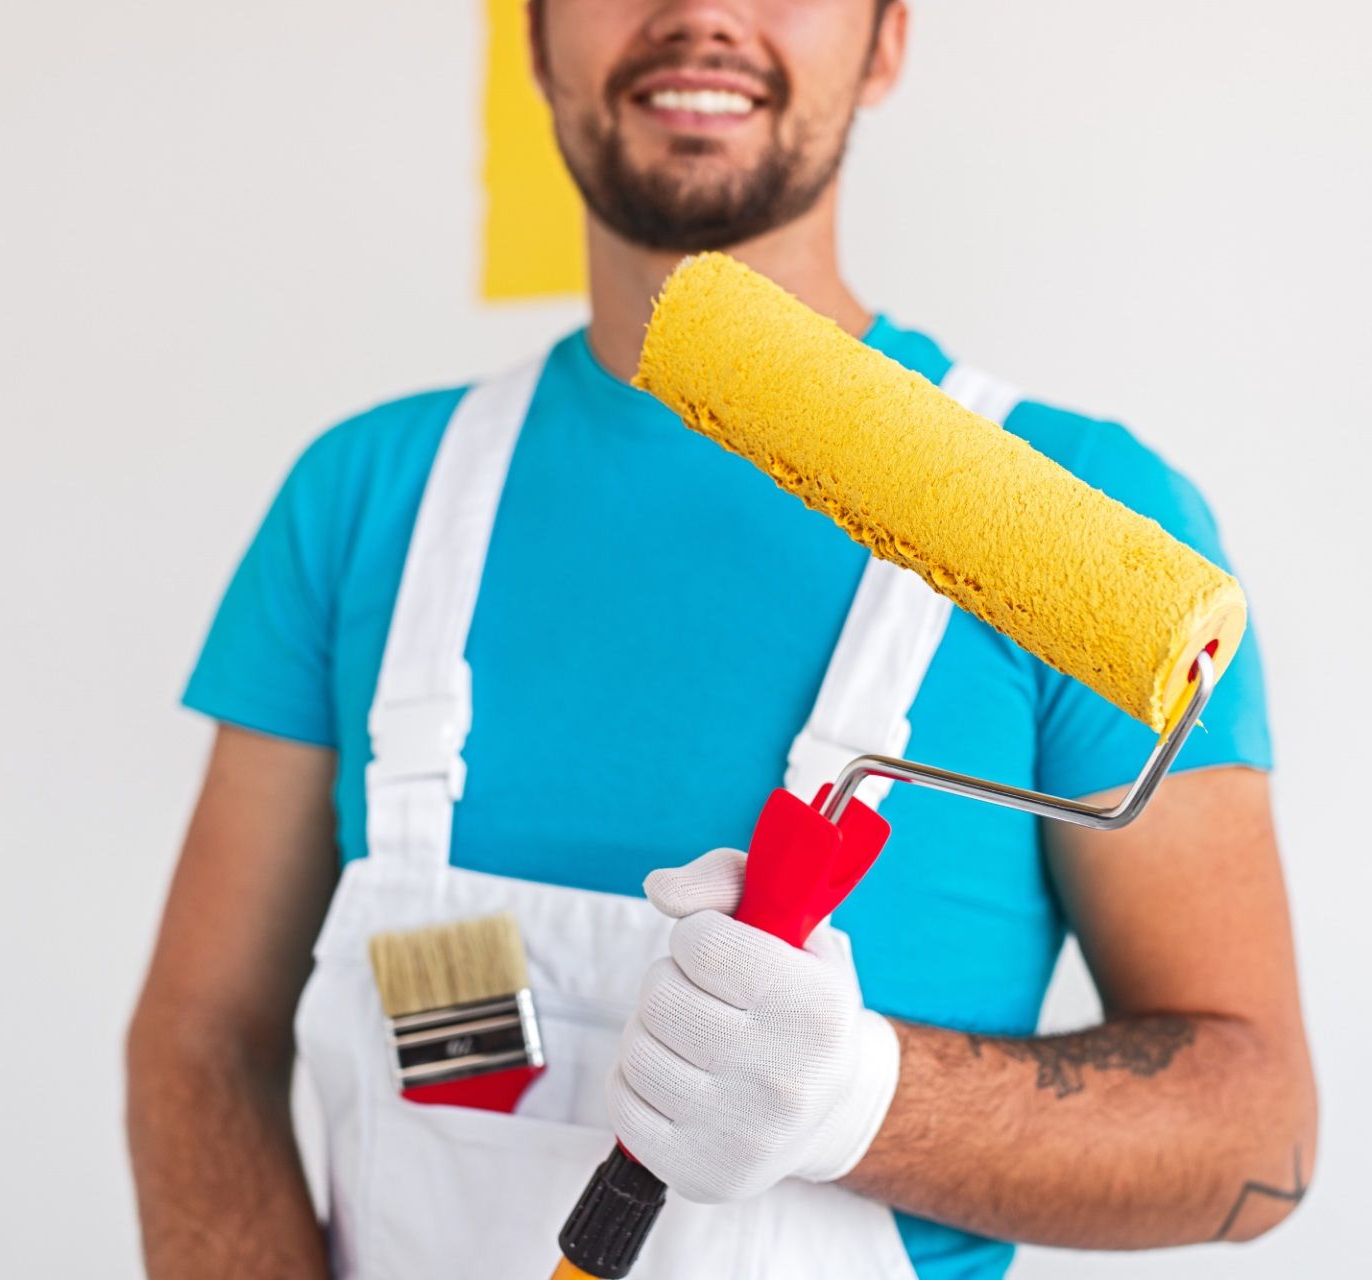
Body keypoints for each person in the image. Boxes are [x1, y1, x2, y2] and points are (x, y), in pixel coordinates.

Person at [126, 2, 1316, 1276]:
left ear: (887, 40)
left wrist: (863, 1099)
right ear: (533, 40)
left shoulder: (1086, 525)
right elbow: (200, 1044)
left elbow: (1255, 1130)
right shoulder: (368, 499)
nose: (699, 11)